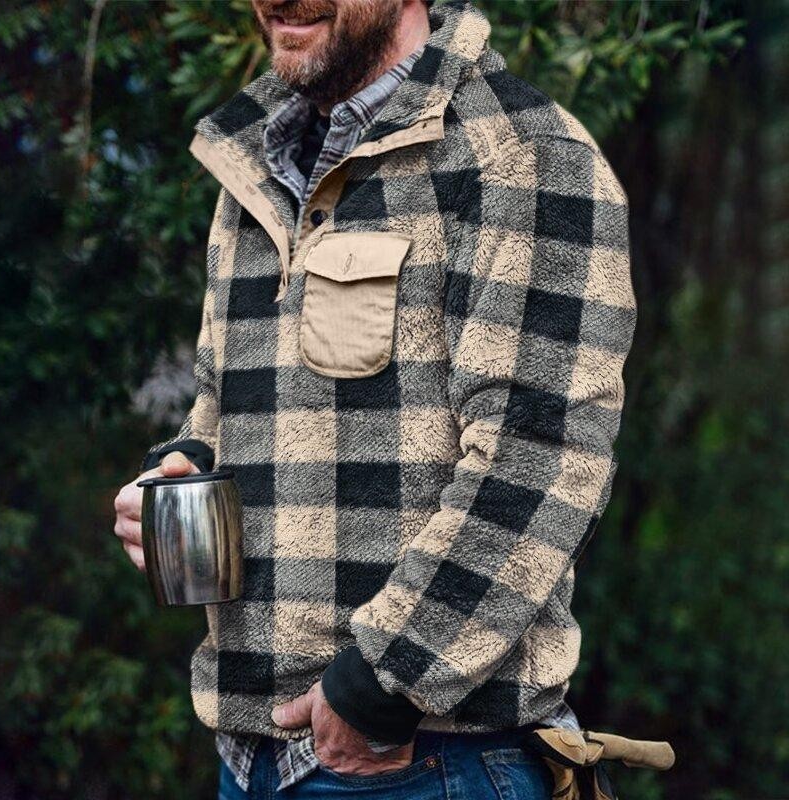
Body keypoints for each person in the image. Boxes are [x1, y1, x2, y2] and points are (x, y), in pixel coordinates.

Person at [113, 1, 636, 797]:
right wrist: (183, 465)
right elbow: (226, 400)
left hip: (423, 759)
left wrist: (380, 688)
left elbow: (540, 463)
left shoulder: (523, 155)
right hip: (247, 755)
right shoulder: (256, 158)